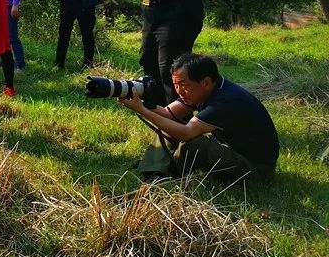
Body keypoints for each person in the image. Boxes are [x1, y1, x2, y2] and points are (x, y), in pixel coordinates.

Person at [118, 53, 279, 183]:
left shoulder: (226, 100)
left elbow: (186, 133)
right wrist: (141, 101)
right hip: (233, 152)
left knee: (197, 143)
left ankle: (163, 173)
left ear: (206, 82)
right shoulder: (206, 90)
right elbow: (168, 113)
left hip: (256, 171)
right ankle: (154, 171)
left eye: (184, 84)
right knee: (168, 125)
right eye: (175, 84)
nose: (179, 90)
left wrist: (142, 110)